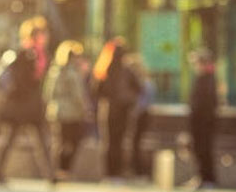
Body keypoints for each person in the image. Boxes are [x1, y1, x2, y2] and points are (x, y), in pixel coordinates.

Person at [0, 46, 56, 187]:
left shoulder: (17, 62)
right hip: (27, 108)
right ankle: (50, 174)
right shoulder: (27, 60)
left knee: (12, 140)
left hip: (19, 108)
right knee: (39, 142)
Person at [94, 38, 141, 183]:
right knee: (119, 141)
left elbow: (96, 91)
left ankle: (109, 173)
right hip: (123, 110)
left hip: (109, 109)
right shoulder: (126, 70)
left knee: (110, 141)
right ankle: (117, 173)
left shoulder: (104, 68)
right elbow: (139, 88)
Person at [45, 40, 92, 180]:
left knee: (60, 142)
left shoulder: (54, 70)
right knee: (71, 142)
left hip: (56, 111)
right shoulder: (72, 72)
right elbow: (78, 95)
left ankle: (57, 170)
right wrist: (86, 109)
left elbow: (47, 93)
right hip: (71, 113)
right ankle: (63, 170)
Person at [184, 48, 218, 190]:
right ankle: (202, 177)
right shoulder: (203, 78)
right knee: (199, 149)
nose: (195, 66)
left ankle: (206, 178)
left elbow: (206, 103)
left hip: (203, 121)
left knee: (203, 149)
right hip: (200, 120)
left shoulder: (207, 79)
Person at [126, 53, 155, 180]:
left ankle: (139, 170)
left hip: (141, 115)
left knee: (136, 142)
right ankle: (136, 169)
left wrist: (135, 111)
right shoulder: (143, 81)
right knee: (134, 142)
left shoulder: (143, 82)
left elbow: (145, 101)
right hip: (140, 114)